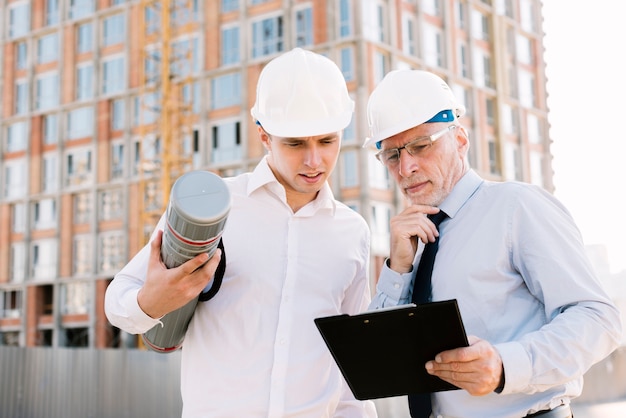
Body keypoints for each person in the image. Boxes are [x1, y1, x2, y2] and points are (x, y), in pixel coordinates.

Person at [105, 48, 377, 418]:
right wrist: (153, 301)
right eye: (296, 143)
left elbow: (351, 367)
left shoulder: (353, 233)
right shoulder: (213, 208)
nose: (314, 160)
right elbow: (117, 301)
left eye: (327, 141)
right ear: (265, 136)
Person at [364, 69, 622, 418]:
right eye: (392, 156)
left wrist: (505, 366)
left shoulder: (517, 207)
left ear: (460, 140)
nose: (405, 167)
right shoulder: (412, 239)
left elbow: (598, 319)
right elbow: (379, 356)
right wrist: (398, 267)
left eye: (420, 146)